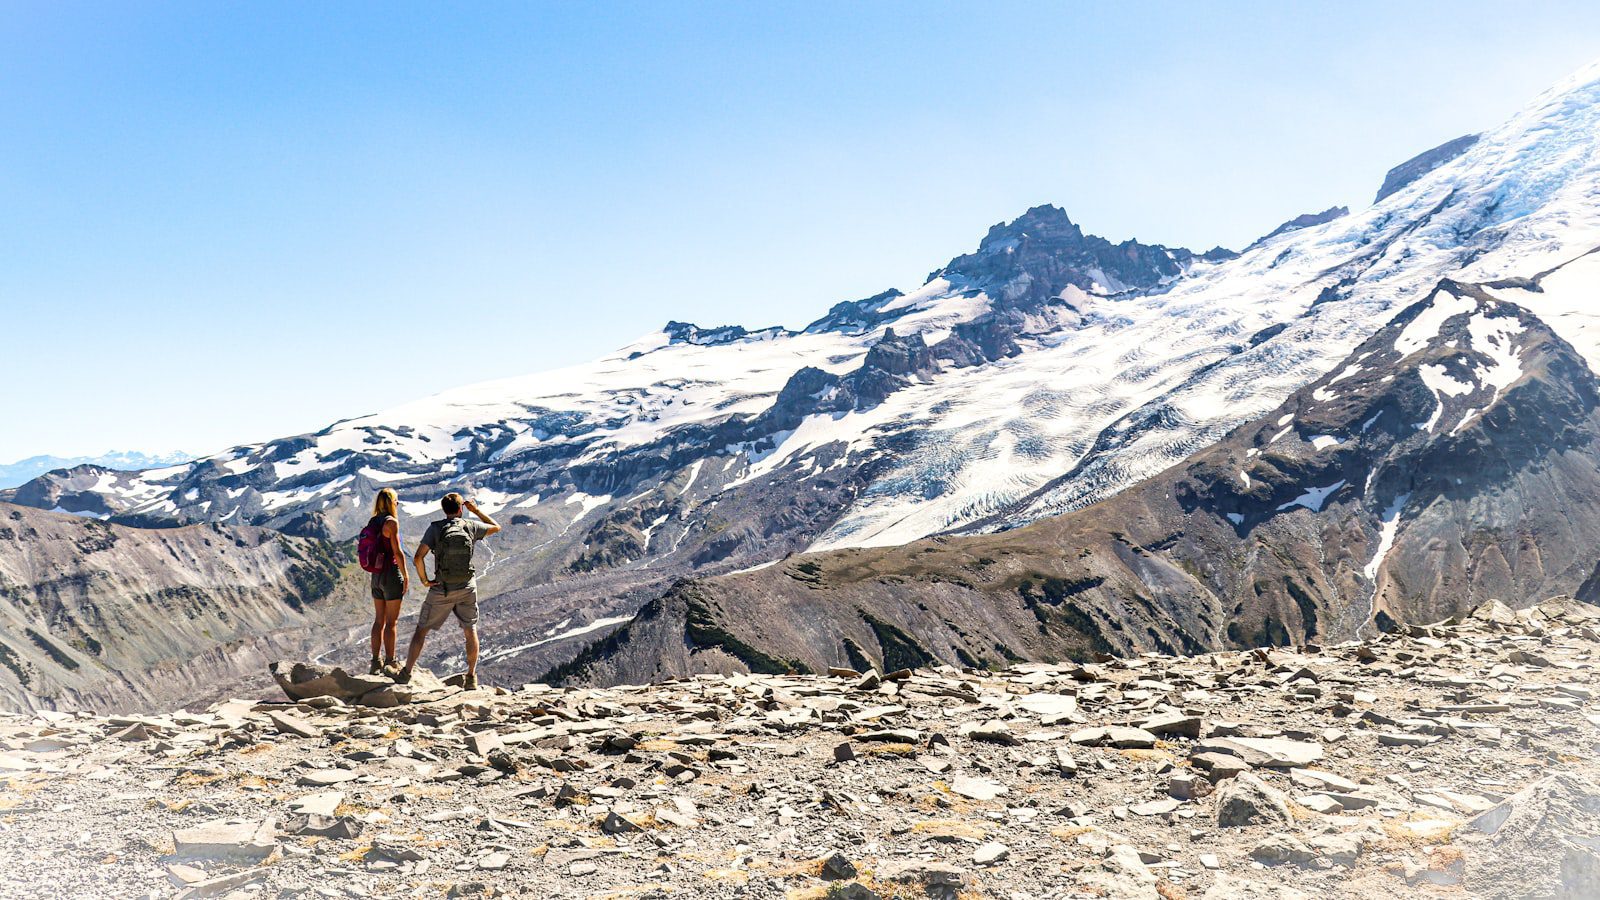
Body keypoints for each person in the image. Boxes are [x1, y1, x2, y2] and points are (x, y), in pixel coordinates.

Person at [394, 492, 500, 689]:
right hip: (467, 586)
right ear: (461, 509)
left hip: (442, 589)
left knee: (422, 630)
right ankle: (470, 678)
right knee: (470, 630)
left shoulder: (436, 528)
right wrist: (475, 511)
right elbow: (496, 526)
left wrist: (426, 580)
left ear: (444, 510)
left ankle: (406, 673)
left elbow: (418, 558)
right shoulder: (470, 525)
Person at [365, 488, 409, 675]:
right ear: (391, 502)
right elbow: (397, 552)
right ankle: (391, 662)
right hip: (391, 574)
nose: (397, 504)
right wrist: (405, 575)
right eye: (396, 501)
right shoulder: (391, 522)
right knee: (391, 623)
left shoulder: (373, 521)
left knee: (378, 621)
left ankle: (376, 662)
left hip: (376, 576)